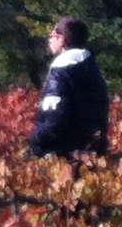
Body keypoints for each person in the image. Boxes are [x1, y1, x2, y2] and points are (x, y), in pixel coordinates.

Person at [28, 16, 109, 157]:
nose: (50, 39)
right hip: (90, 148)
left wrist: (36, 143)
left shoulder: (62, 70)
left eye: (53, 34)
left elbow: (55, 118)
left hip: (63, 152)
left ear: (62, 39)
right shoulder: (91, 67)